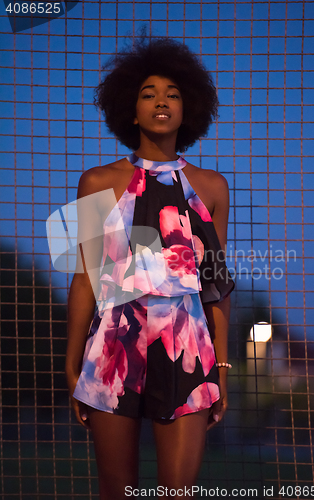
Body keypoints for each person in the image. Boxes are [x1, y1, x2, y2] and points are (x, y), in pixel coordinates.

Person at [65, 37, 234, 500]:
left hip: (188, 351)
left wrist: (220, 364)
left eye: (173, 93)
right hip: (111, 348)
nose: (162, 100)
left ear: (189, 109)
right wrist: (72, 356)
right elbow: (82, 273)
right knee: (116, 492)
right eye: (148, 92)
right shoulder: (96, 181)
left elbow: (217, 286)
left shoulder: (212, 187)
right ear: (130, 111)